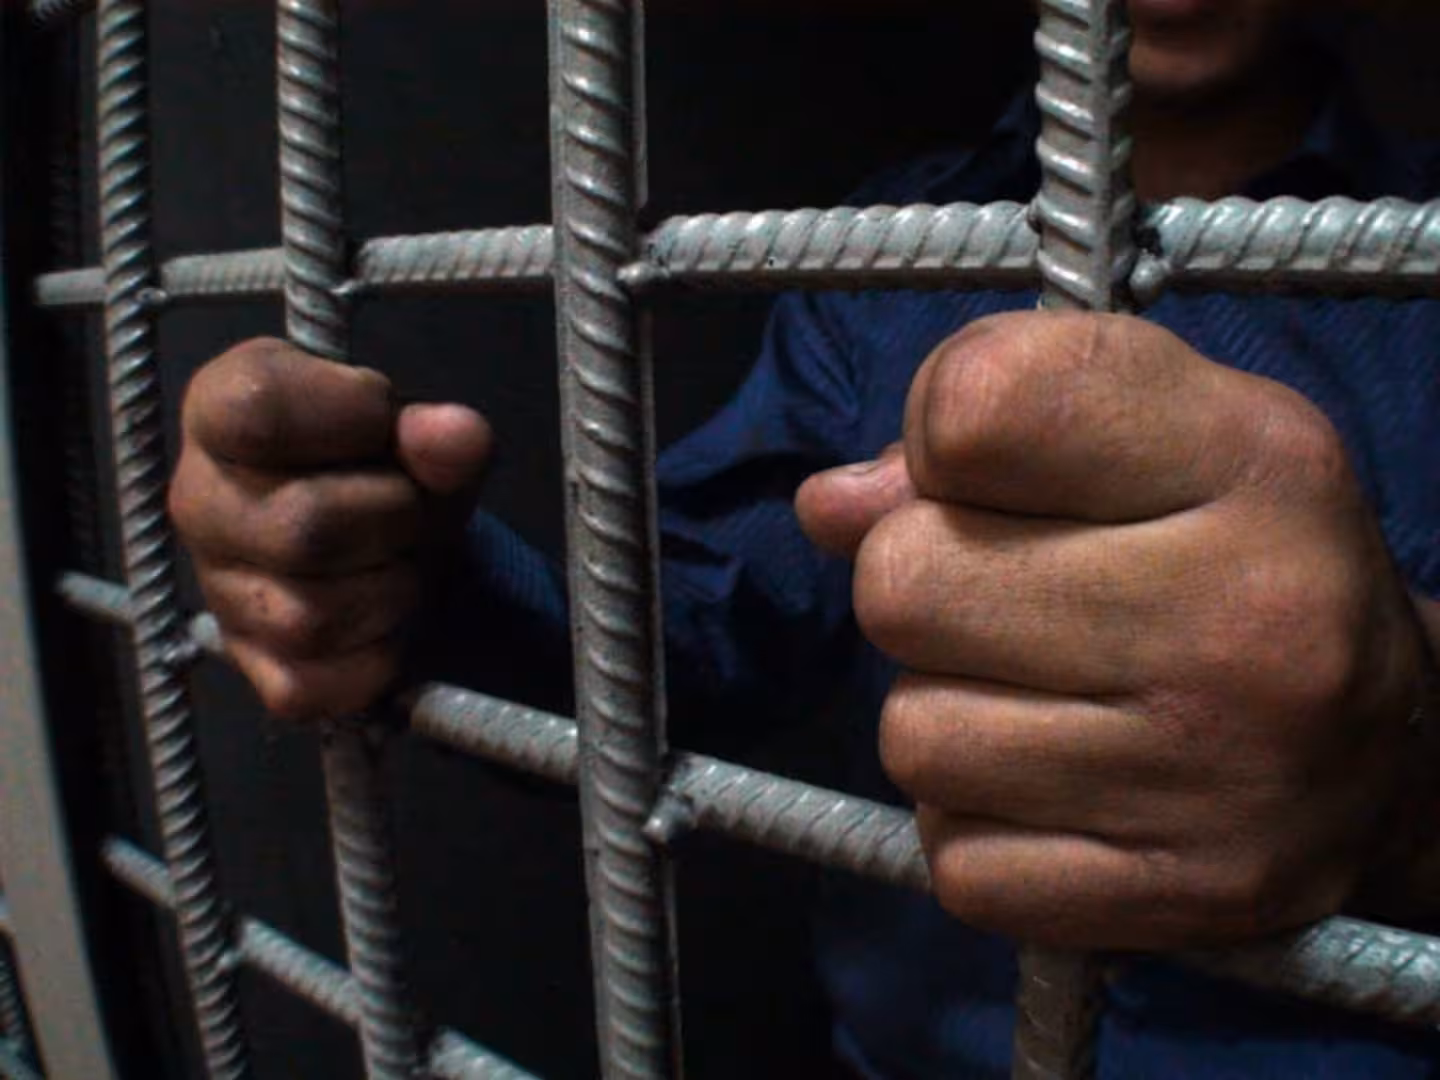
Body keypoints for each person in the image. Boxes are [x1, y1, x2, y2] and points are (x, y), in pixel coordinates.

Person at [168, 0, 1440, 1075]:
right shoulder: (886, 250)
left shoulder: (1420, 255)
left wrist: (1404, 744)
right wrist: (404, 570)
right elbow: (679, 658)